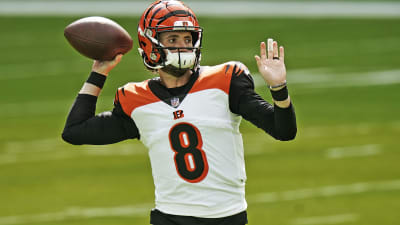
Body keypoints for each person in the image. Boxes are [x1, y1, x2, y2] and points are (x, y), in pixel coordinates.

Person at [62, 0, 297, 224]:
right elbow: (74, 131)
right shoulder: (136, 100)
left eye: (187, 38)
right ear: (150, 43)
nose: (182, 46)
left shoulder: (225, 82)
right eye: (172, 38)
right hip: (171, 217)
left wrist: (278, 88)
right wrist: (99, 72)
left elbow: (283, 130)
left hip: (227, 218)